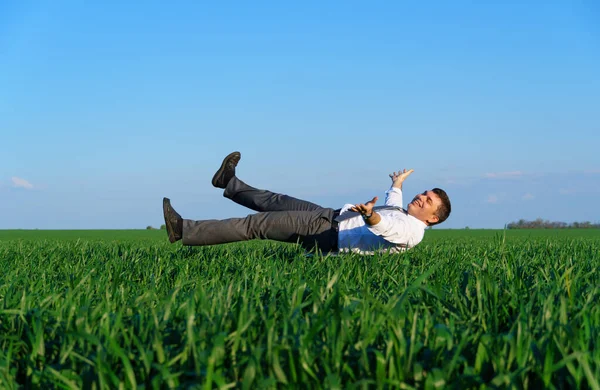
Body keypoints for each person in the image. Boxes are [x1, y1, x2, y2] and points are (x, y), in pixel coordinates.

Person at [163, 152, 451, 254]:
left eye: (428, 201)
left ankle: (183, 230)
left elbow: (388, 229)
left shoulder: (413, 232)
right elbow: (394, 203)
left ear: (433, 219)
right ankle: (228, 182)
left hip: (327, 233)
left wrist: (370, 217)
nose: (421, 198)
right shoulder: (405, 212)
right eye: (424, 193)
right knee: (275, 200)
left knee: (256, 226)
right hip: (328, 216)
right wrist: (397, 184)